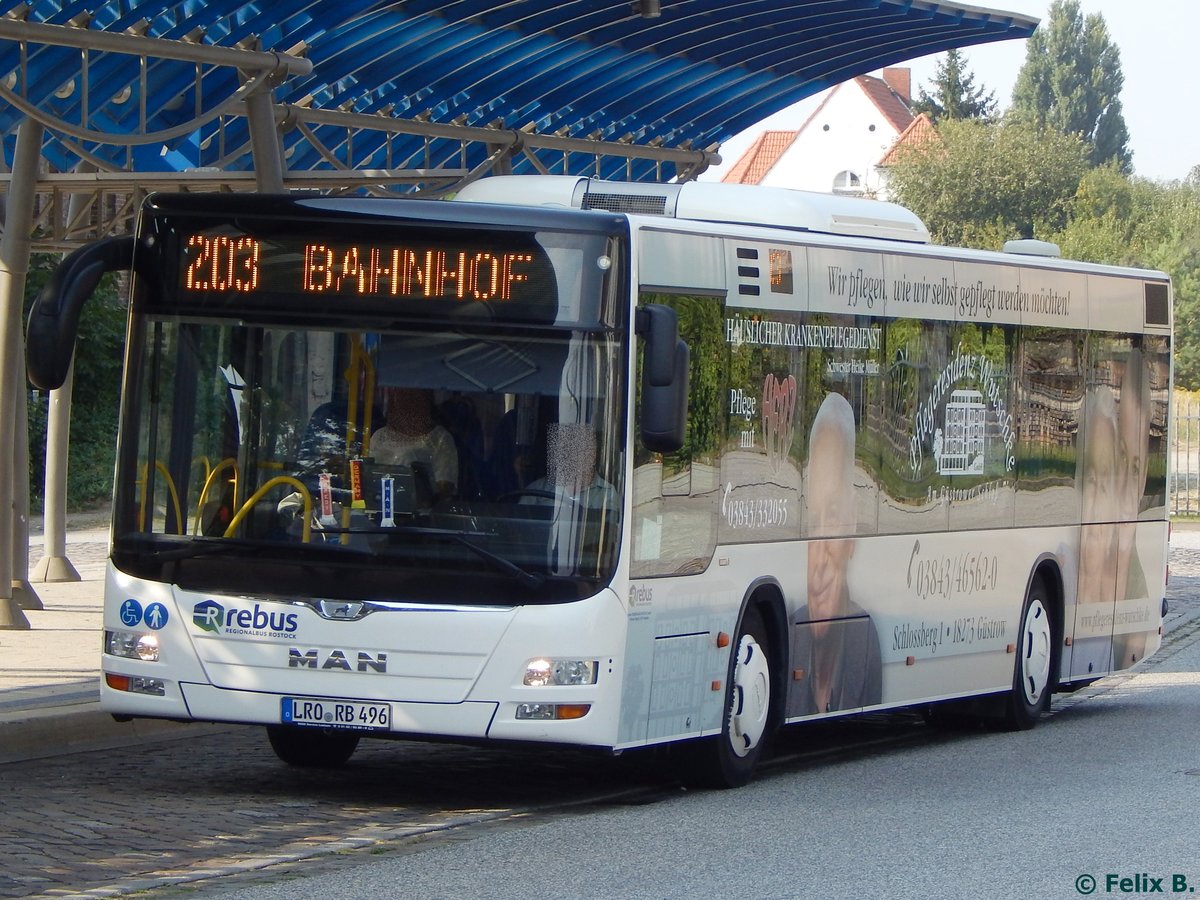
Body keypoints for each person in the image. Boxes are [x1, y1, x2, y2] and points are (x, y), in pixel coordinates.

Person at [792, 392, 882, 716]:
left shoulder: (866, 641)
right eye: (812, 521)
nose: (818, 563)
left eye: (831, 515)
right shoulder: (788, 636)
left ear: (853, 525)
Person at [371, 387, 458, 503]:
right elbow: (368, 474)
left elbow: (445, 485)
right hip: (379, 506)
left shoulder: (440, 438)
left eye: (413, 398)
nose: (406, 403)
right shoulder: (380, 436)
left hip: (420, 513)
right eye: (400, 398)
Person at [521, 422, 618, 512]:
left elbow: (611, 528)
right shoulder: (537, 490)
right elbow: (519, 526)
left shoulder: (607, 494)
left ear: (594, 454)